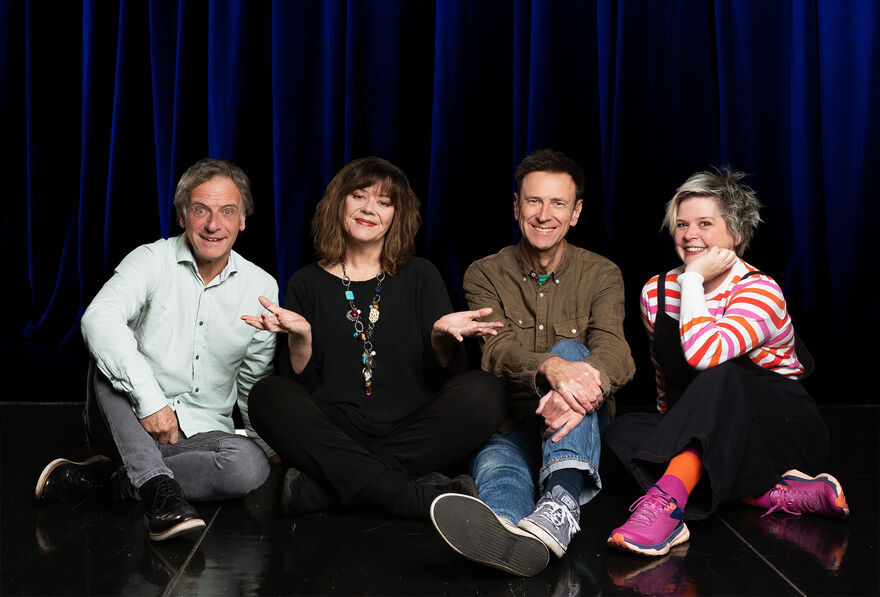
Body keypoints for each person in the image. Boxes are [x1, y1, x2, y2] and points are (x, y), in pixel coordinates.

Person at [243, 156, 506, 520]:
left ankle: (322, 491)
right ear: (340, 203)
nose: (370, 209)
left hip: (415, 429)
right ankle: (414, 499)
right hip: (339, 430)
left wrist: (440, 339)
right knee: (267, 395)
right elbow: (301, 388)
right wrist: (302, 336)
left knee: (484, 391)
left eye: (384, 203)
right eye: (359, 196)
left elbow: (448, 379)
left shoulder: (422, 275)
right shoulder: (305, 281)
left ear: (397, 216)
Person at [604, 168, 849, 557]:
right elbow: (666, 380)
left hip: (780, 432)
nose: (689, 235)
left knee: (719, 374)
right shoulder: (655, 291)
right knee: (621, 433)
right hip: (713, 434)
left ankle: (666, 507)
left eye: (705, 223)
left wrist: (693, 281)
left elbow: (704, 357)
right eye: (681, 224)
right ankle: (771, 494)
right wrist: (673, 431)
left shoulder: (760, 290)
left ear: (736, 235)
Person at [35, 158, 278, 541]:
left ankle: (115, 479)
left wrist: (264, 445)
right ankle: (157, 495)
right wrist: (151, 402)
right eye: (201, 210)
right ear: (183, 215)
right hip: (127, 420)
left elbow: (252, 380)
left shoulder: (261, 286)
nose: (214, 225)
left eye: (227, 212)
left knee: (250, 467)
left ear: (243, 219)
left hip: (198, 436)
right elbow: (98, 319)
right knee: (109, 357)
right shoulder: (151, 259)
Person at [430, 149, 635, 576]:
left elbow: (616, 351)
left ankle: (560, 503)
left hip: (581, 422)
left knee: (576, 354)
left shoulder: (602, 274)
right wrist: (551, 371)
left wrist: (571, 382)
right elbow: (497, 349)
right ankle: (508, 533)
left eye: (558, 203)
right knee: (497, 468)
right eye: (533, 201)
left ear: (576, 212)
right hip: (511, 418)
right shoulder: (484, 273)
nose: (544, 214)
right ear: (517, 207)